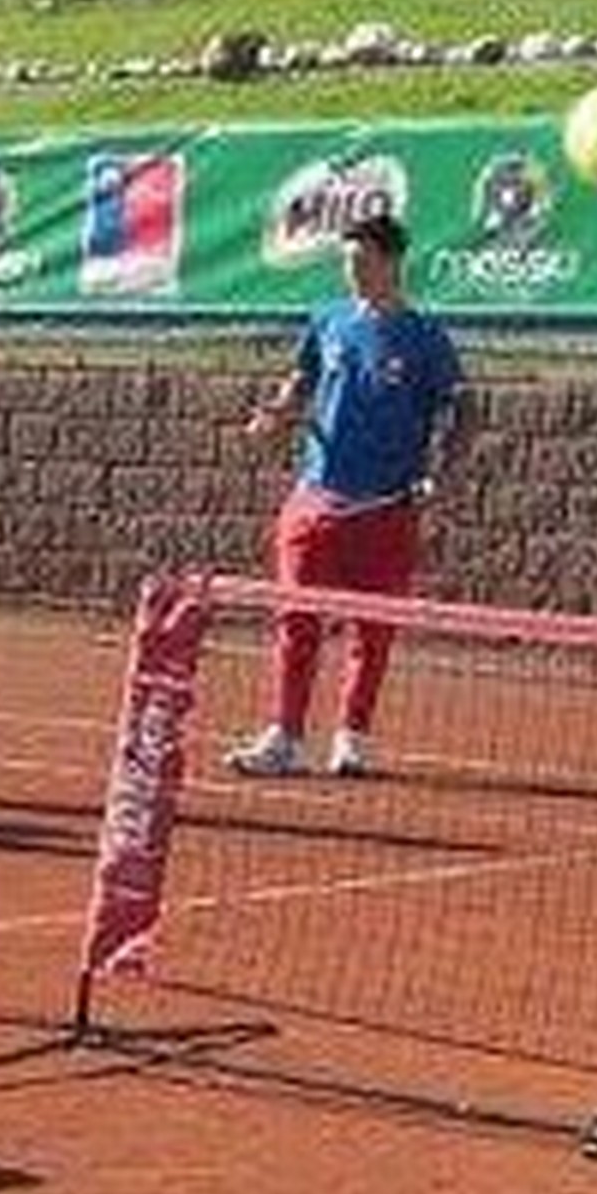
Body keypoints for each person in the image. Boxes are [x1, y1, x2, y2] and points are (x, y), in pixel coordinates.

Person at [228, 208, 467, 781]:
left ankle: (352, 739)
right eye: (346, 263)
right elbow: (301, 380)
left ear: (391, 263)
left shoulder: (425, 337)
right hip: (316, 502)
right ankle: (284, 737)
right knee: (296, 622)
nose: (352, 273)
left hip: (387, 507)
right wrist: (277, 415)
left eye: (362, 262)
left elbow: (461, 409)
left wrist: (446, 470)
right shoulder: (328, 320)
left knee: (373, 630)